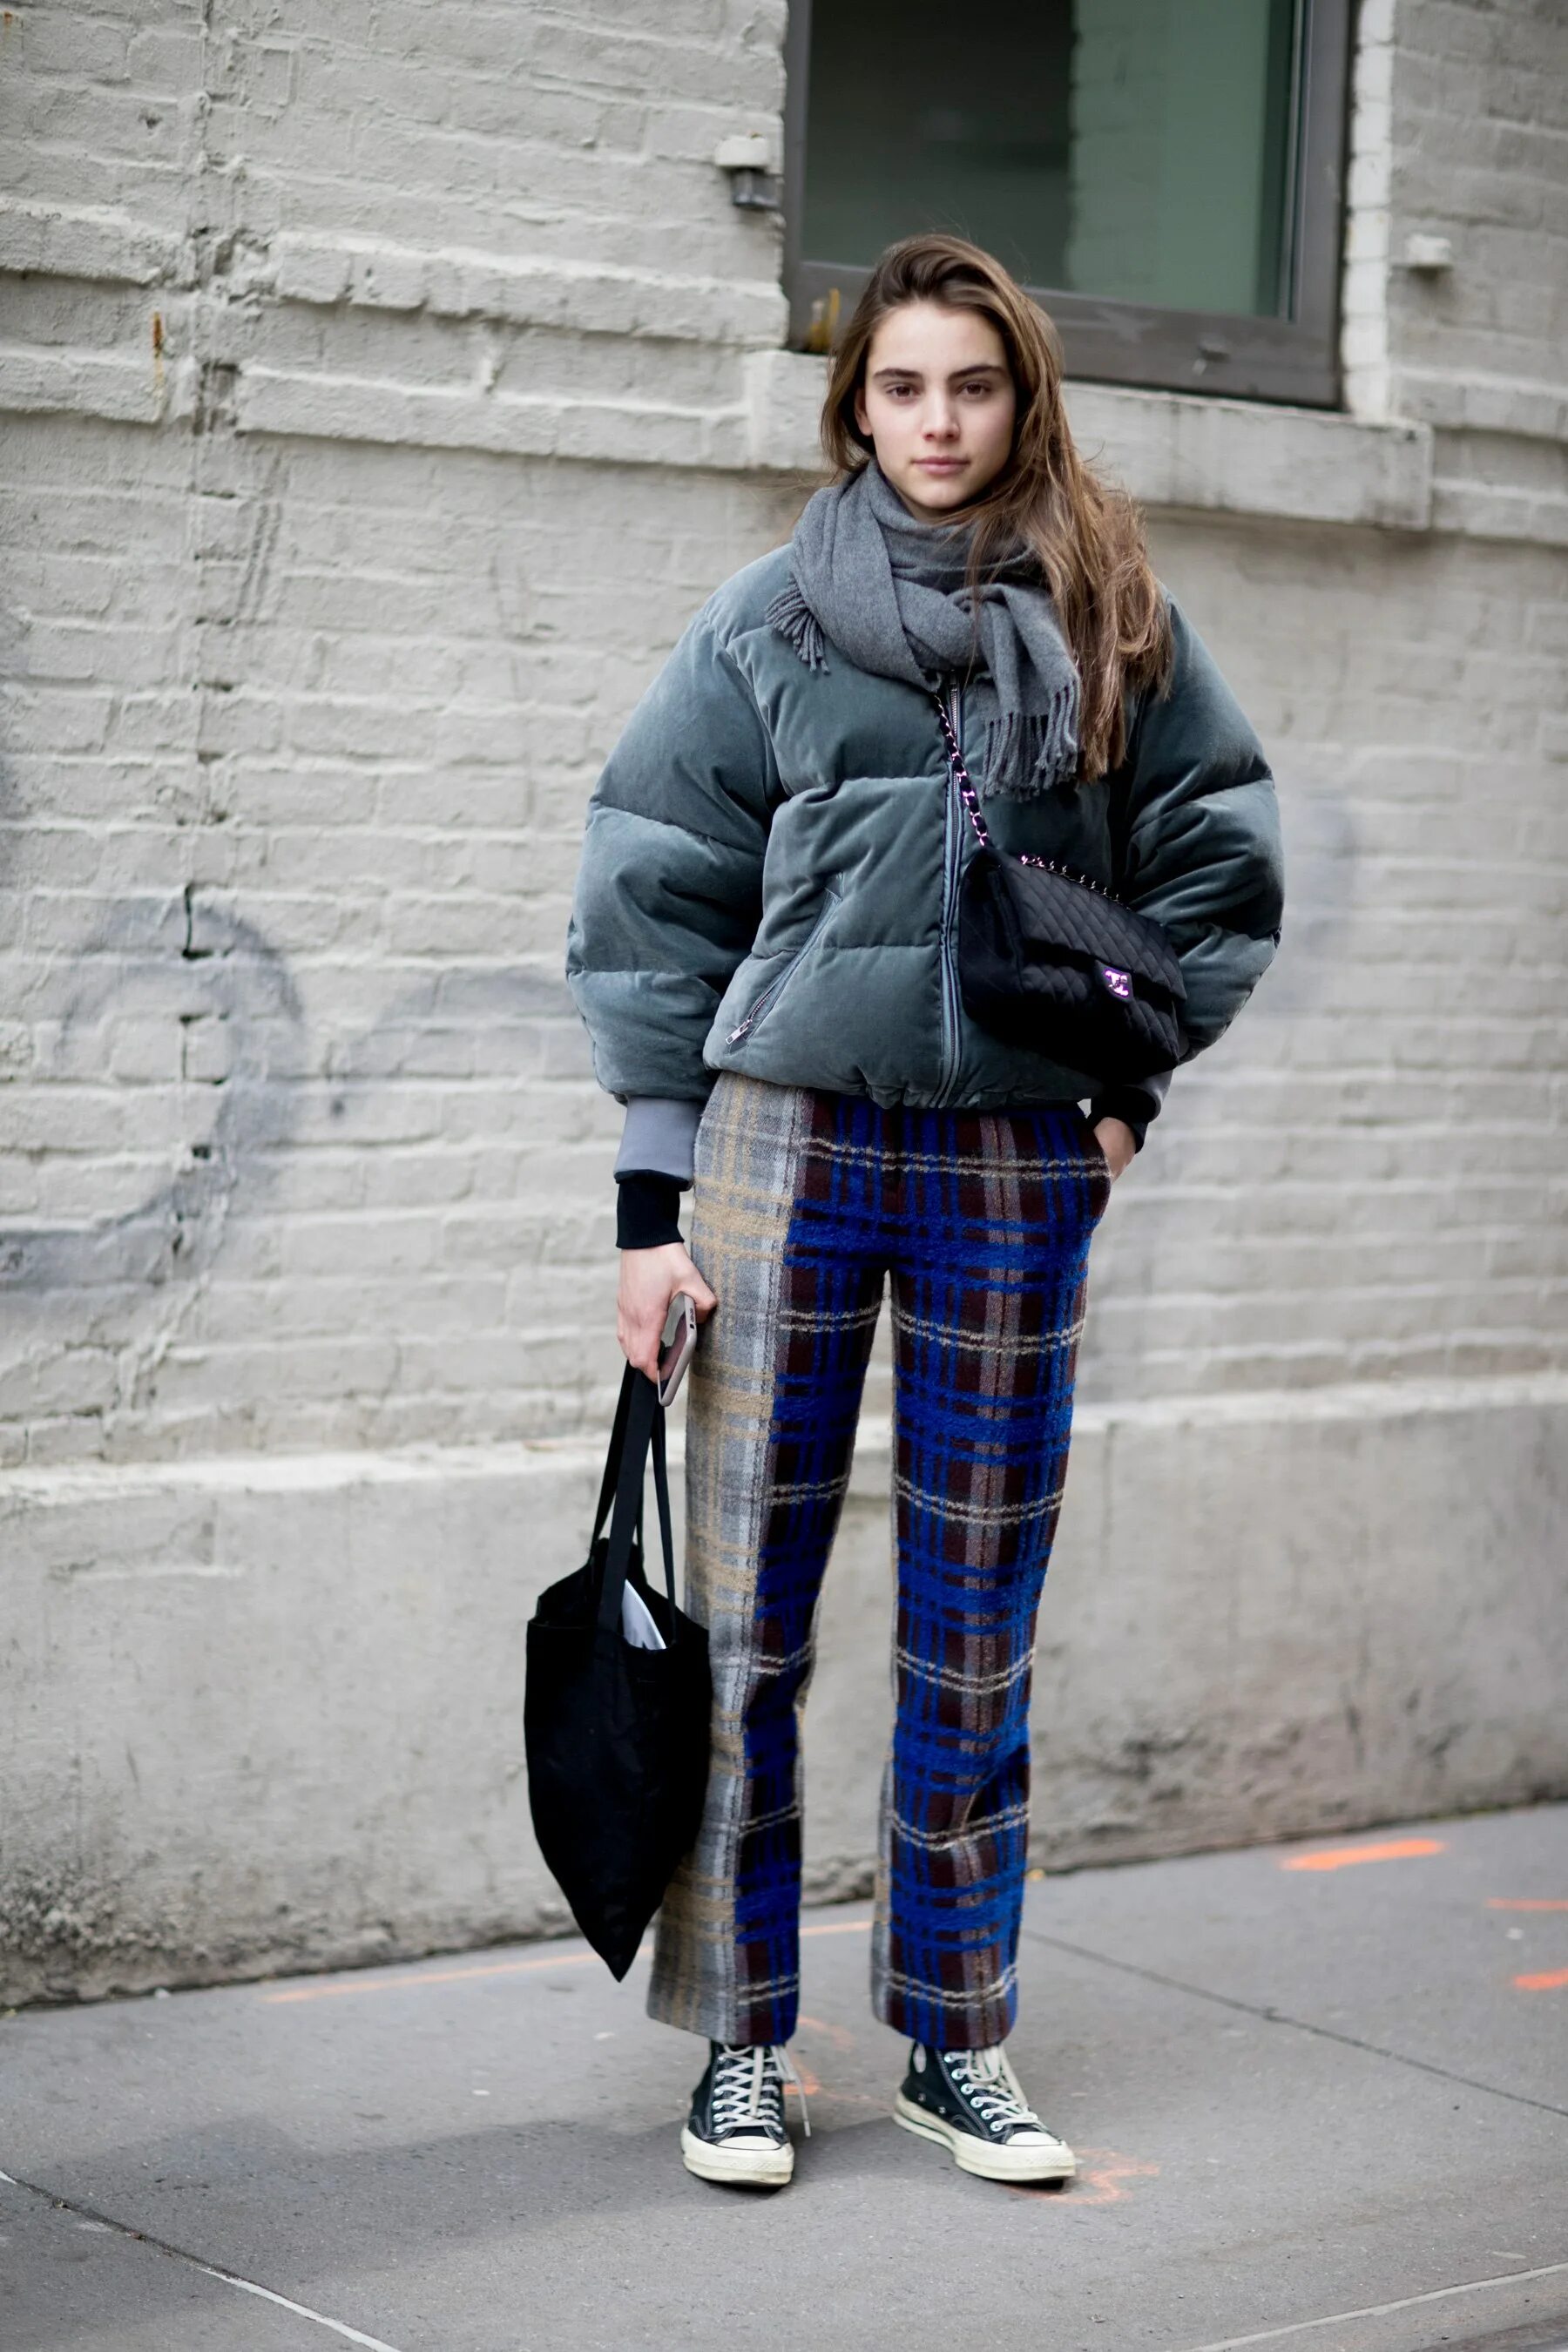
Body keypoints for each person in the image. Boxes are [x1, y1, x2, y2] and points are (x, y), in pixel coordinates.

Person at [564, 232, 1283, 2191]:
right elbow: (653, 888)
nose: (938, 422)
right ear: (854, 407)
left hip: (1011, 1163)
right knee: (749, 1622)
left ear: (1021, 396)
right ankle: (743, 2042)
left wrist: (1119, 1096)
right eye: (902, 388)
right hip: (783, 1148)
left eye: (973, 385)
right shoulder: (767, 623)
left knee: (976, 1614)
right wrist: (648, 1206)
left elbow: (1218, 857)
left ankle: (959, 2041)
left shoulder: (1112, 611)